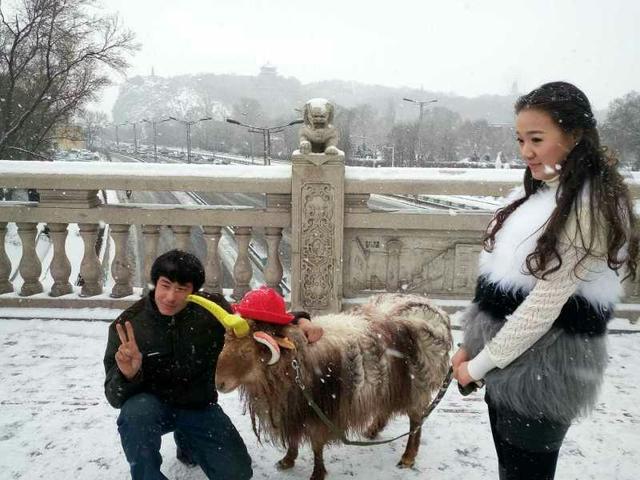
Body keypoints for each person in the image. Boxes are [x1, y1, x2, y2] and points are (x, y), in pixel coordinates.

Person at [451, 81, 638, 480]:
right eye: (520, 139)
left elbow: (541, 308)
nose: (526, 152)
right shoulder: (544, 195)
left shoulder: (590, 206)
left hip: (543, 376)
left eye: (536, 138)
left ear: (574, 136)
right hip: (506, 368)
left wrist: (478, 365)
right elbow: (499, 292)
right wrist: (470, 350)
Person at [104, 249, 253, 479]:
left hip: (199, 406)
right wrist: (127, 375)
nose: (171, 297)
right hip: (152, 407)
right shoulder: (128, 325)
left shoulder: (212, 311)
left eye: (182, 289)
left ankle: (188, 440)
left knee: (237, 473)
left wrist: (301, 320)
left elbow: (259, 321)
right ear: (155, 283)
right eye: (165, 285)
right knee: (135, 414)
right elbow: (114, 398)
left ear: (194, 291)